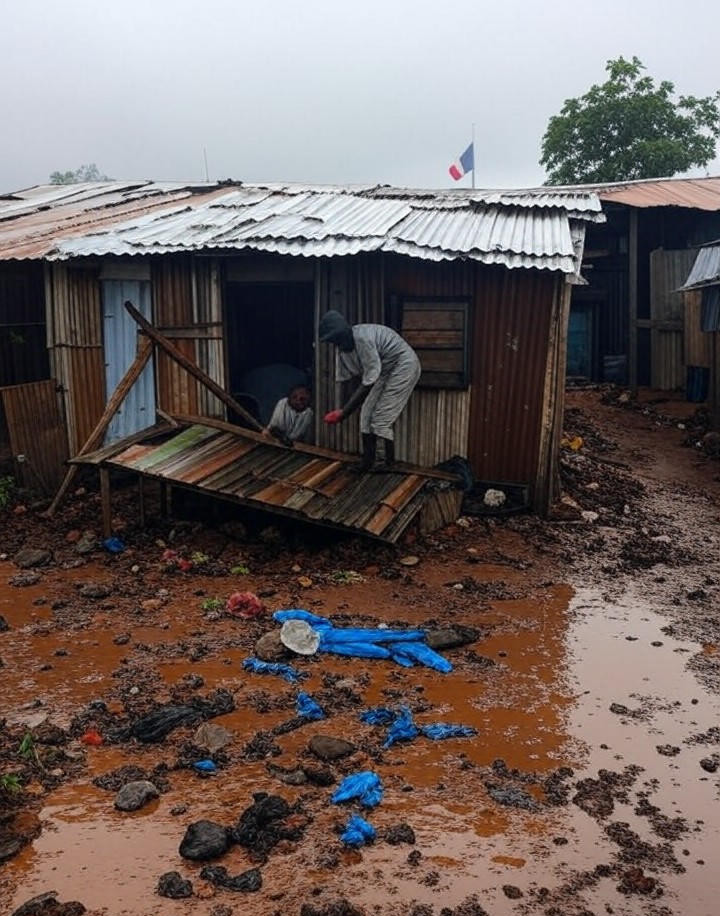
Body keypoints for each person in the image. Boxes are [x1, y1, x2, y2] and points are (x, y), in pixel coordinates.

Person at [319, 310, 421, 471]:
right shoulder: (343, 351)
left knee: (381, 417)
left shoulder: (362, 339)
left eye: (338, 338)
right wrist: (341, 409)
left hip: (403, 364)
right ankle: (367, 462)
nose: (337, 343)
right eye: (334, 340)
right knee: (366, 414)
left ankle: (386, 463)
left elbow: (368, 383)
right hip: (385, 369)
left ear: (346, 332)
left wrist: (344, 413)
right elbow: (348, 382)